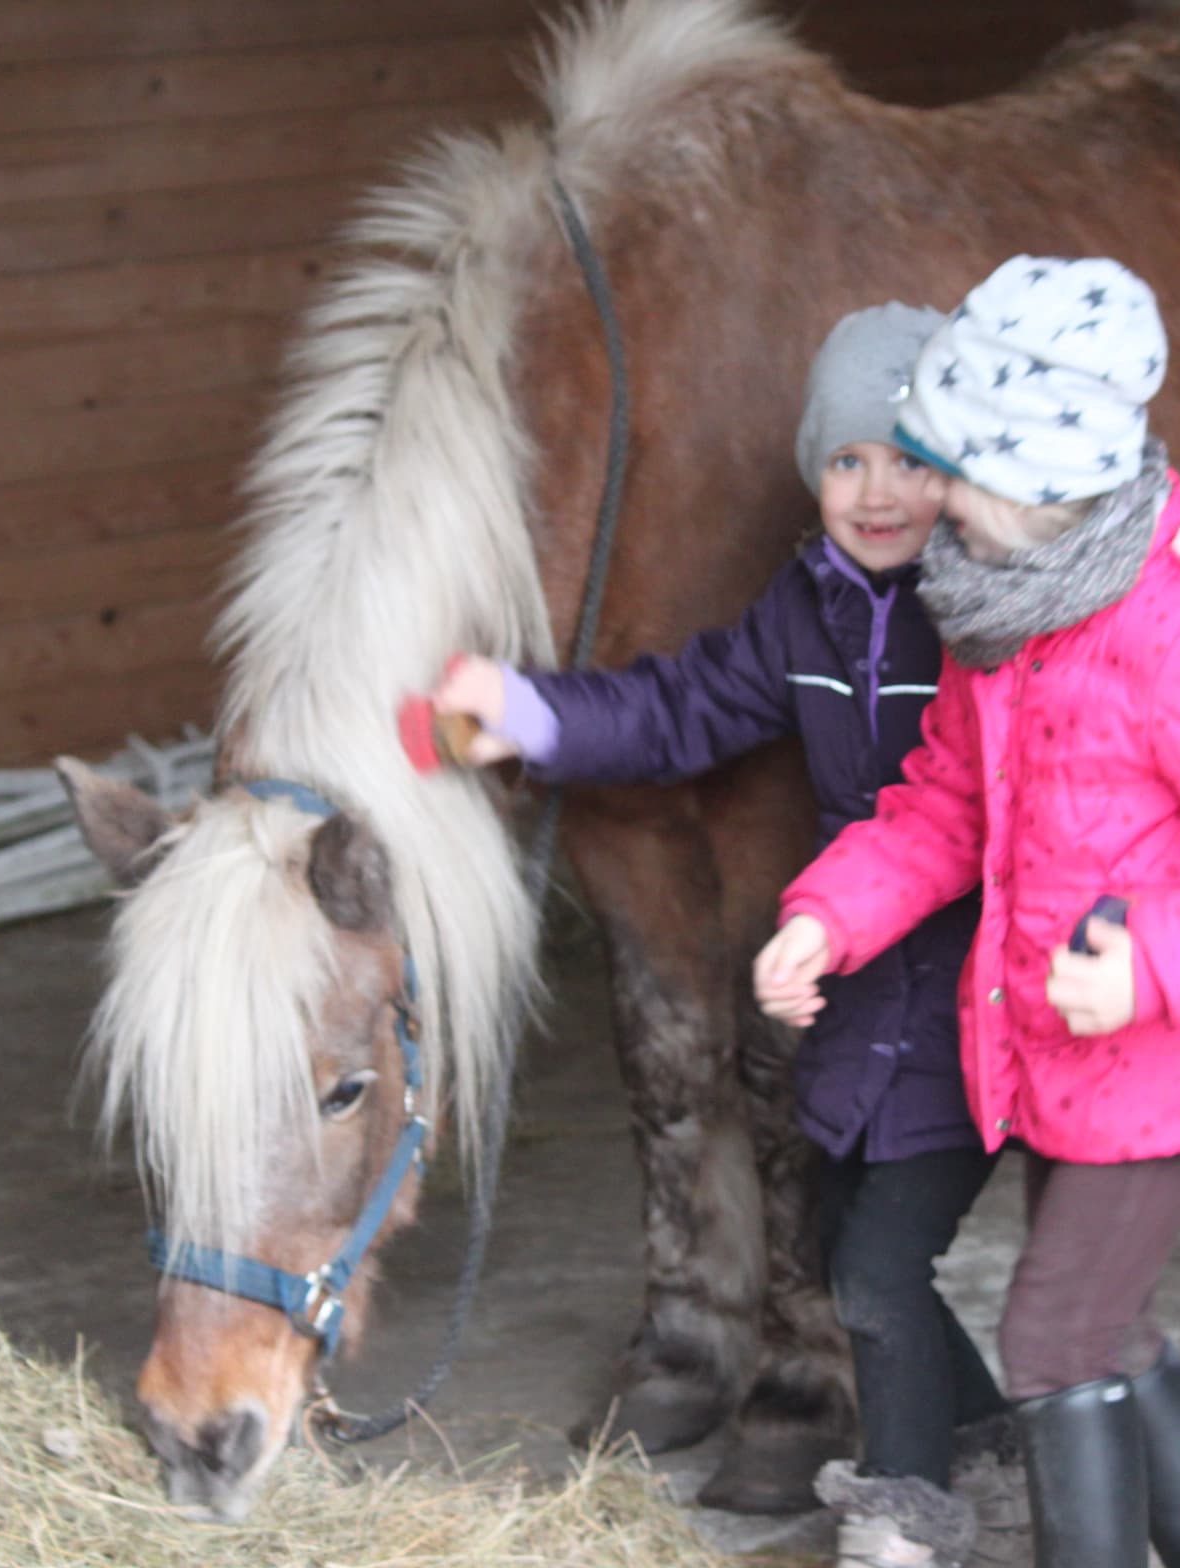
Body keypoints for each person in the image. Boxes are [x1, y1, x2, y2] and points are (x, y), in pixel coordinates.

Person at [752, 256, 1180, 1568]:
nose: (923, 495)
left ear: (1033, 482)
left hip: (1175, 1055)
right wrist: (831, 916)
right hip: (1070, 1060)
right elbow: (946, 805)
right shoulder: (1009, 613)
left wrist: (1147, 970)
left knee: (1054, 1342)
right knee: (1110, 1335)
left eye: (946, 469)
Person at [432, 304, 1003, 1568]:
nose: (875, 490)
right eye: (846, 459)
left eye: (910, 458)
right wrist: (531, 713)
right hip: (858, 990)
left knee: (877, 1265)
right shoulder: (806, 610)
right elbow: (681, 705)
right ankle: (994, 1449)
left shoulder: (984, 616)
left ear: (962, 469)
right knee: (859, 1243)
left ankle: (904, 1512)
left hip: (974, 992)